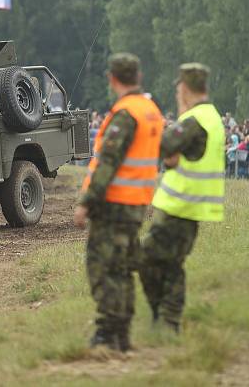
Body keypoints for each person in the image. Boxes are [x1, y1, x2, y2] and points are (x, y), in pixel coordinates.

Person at [73, 53, 164, 352]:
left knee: (103, 269)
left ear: (113, 80)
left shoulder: (125, 114)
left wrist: (87, 201)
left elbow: (108, 162)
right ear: (138, 77)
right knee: (122, 268)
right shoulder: (151, 110)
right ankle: (121, 333)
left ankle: (107, 330)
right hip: (138, 203)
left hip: (114, 204)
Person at [140, 63, 224, 332]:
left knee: (155, 261)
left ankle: (167, 321)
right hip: (188, 205)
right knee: (166, 263)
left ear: (184, 89)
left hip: (182, 206)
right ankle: (166, 320)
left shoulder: (194, 120)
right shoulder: (210, 116)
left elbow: (160, 145)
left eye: (178, 90)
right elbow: (175, 154)